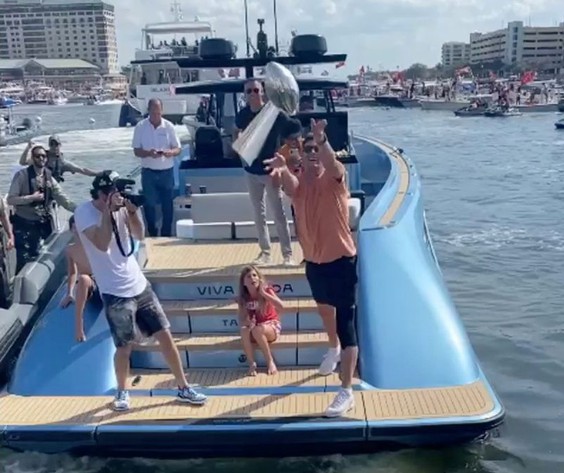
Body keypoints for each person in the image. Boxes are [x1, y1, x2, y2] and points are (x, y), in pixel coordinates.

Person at [73, 171, 207, 411]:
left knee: (165, 335)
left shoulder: (124, 206)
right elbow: (102, 244)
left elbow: (139, 234)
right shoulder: (84, 212)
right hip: (114, 290)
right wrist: (108, 212)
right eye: (109, 194)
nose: (113, 198)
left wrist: (132, 211)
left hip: (138, 284)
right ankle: (122, 392)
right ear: (100, 193)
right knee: (124, 346)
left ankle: (184, 387)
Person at [264, 119, 358, 418]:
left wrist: (321, 138)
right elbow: (289, 185)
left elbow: (332, 163)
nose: (313, 154)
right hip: (314, 263)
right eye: (308, 150)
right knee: (323, 309)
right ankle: (332, 349)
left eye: (316, 150)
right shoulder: (301, 183)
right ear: (302, 156)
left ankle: (346, 390)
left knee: (347, 326)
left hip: (342, 261)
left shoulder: (335, 178)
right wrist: (281, 169)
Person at [233, 79, 295, 266]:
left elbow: (293, 131)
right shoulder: (243, 115)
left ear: (262, 92)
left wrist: (281, 160)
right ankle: (265, 252)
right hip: (250, 170)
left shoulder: (274, 113)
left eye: (255, 90)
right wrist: (239, 149)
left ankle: (287, 255)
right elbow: (236, 131)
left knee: (278, 212)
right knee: (258, 213)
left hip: (270, 170)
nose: (252, 94)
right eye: (248, 91)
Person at [7, 145, 76, 273]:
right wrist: (31, 198)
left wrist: (80, 210)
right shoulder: (22, 176)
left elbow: (62, 198)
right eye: (37, 156)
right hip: (24, 224)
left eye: (43, 156)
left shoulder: (49, 177)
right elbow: (10, 199)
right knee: (24, 259)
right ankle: (18, 287)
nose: (41, 158)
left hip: (43, 223)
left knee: (45, 254)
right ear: (32, 159)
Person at [132, 98, 181, 237]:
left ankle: (166, 234)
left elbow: (177, 148)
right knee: (150, 205)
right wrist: (149, 153)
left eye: (158, 113)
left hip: (167, 171)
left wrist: (169, 152)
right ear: (148, 111)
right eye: (153, 113)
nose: (156, 116)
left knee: (167, 205)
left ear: (162, 111)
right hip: (148, 172)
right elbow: (136, 151)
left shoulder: (169, 126)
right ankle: (152, 233)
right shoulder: (140, 127)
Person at [236, 265, 283, 377]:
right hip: (255, 327)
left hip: (271, 326)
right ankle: (251, 364)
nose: (252, 278)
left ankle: (270, 361)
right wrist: (247, 321)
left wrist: (264, 294)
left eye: (254, 275)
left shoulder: (267, 290)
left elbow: (281, 307)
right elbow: (242, 319)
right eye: (248, 277)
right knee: (244, 330)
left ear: (259, 278)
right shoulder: (244, 298)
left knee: (258, 330)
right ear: (244, 283)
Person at [60, 215, 97, 343]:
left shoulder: (96, 244)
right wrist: (69, 293)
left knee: (84, 279)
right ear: (71, 229)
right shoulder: (70, 250)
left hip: (102, 282)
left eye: (80, 227)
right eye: (74, 227)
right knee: (83, 279)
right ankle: (79, 325)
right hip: (87, 284)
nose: (78, 230)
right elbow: (71, 273)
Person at [19, 137, 100, 182]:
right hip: (38, 189)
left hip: (53, 192)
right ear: (49, 145)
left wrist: (100, 174)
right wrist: (28, 148)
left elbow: (83, 170)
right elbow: (23, 162)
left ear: (60, 145)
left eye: (56, 144)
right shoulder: (41, 158)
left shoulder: (62, 163)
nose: (54, 147)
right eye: (52, 144)